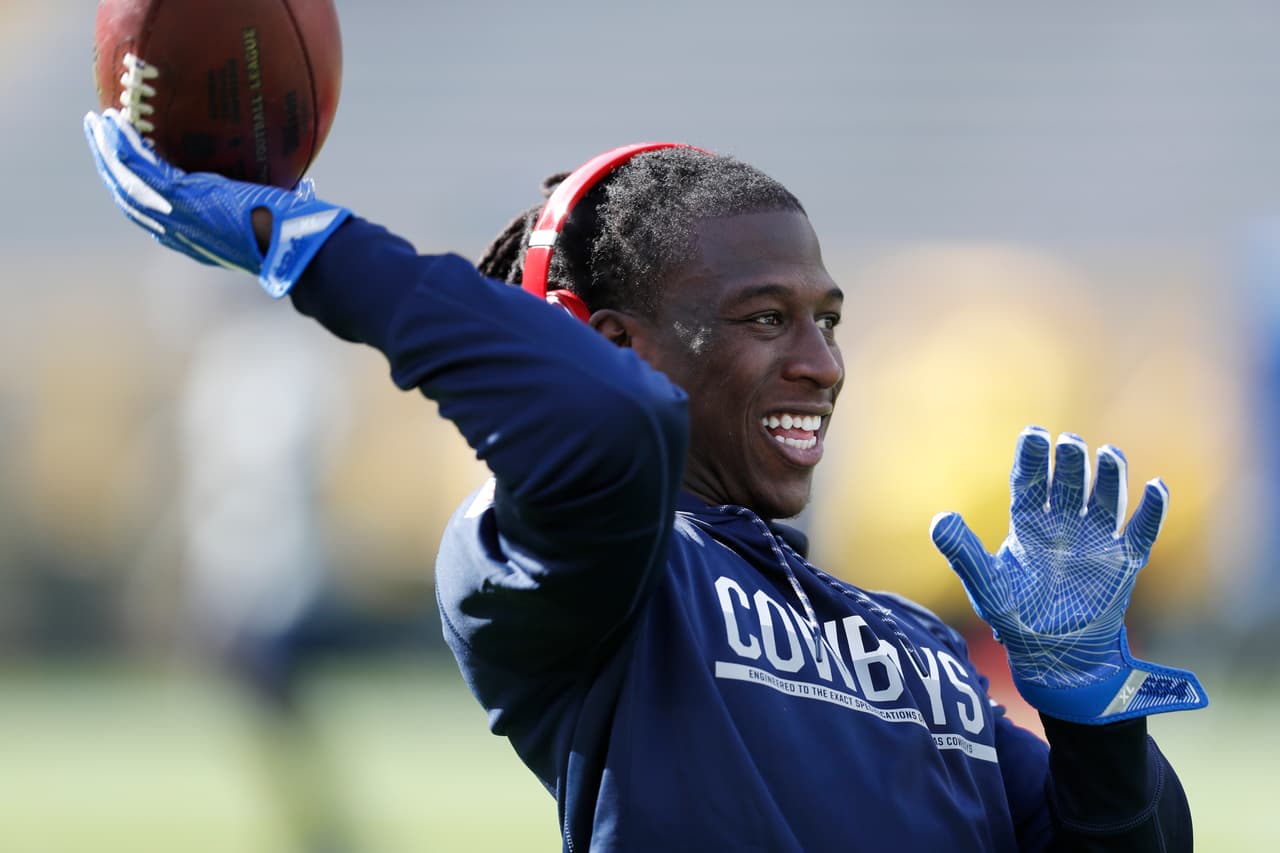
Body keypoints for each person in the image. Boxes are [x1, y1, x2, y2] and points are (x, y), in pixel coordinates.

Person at [85, 107, 1208, 852]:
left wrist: (1092, 720)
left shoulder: (910, 641)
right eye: (764, 319)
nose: (822, 364)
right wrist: (316, 248)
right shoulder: (599, 571)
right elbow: (611, 423)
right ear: (612, 342)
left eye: (826, 319)